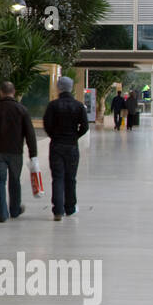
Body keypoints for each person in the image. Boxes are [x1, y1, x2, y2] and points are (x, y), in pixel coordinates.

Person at [0, 81, 38, 223]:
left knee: (0, 182)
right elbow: (30, 134)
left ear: (1, 92)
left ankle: (2, 213)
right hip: (15, 152)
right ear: (13, 92)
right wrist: (33, 155)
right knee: (15, 181)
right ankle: (14, 209)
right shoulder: (22, 110)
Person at [42, 76, 88, 221]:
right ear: (71, 88)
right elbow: (85, 127)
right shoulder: (79, 106)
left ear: (59, 88)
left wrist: (54, 136)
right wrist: (75, 136)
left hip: (56, 145)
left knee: (57, 177)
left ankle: (58, 210)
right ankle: (70, 207)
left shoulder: (53, 105)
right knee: (71, 177)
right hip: (72, 145)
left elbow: (47, 124)